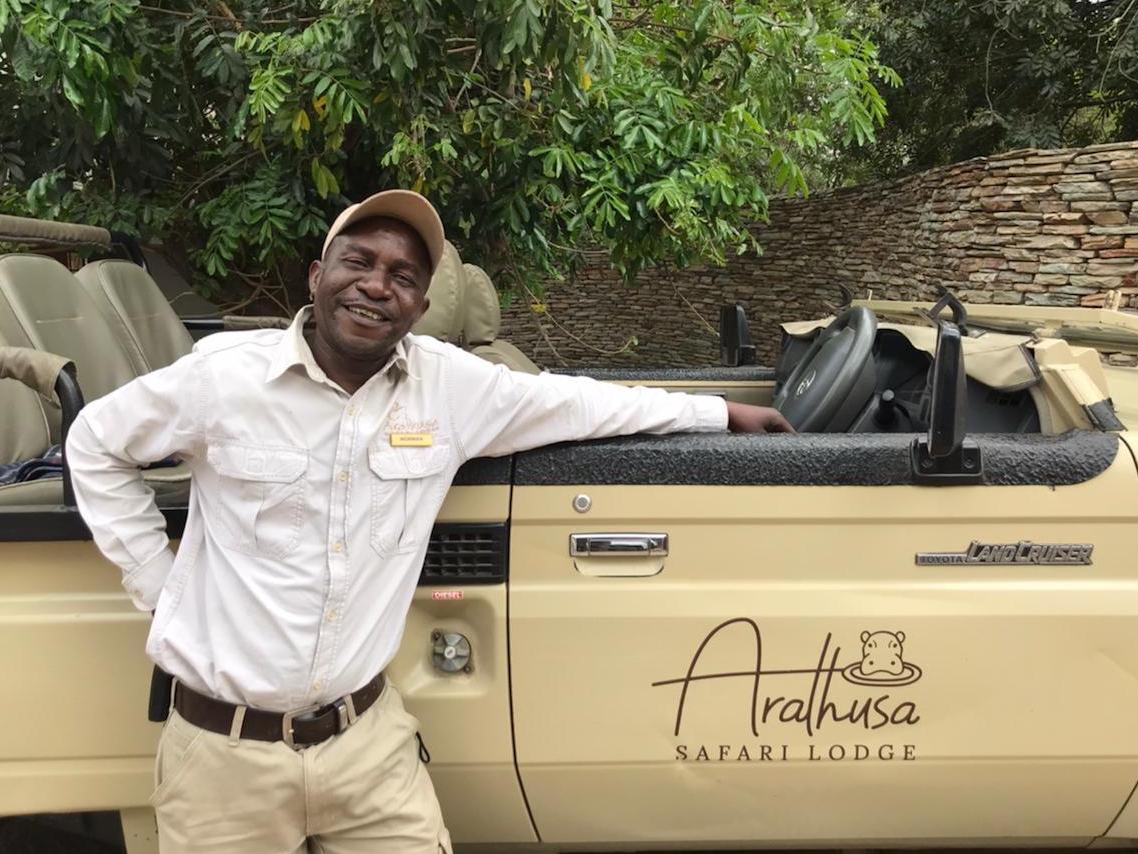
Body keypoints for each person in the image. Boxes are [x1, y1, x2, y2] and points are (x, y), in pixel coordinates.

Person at [66, 190, 793, 853]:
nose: (378, 284)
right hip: (221, 757)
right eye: (359, 262)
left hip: (367, 745)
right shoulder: (221, 378)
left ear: (418, 306)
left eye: (404, 276)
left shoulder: (451, 386)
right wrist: (157, 585)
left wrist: (719, 411)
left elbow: (579, 404)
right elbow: (95, 442)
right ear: (317, 276)